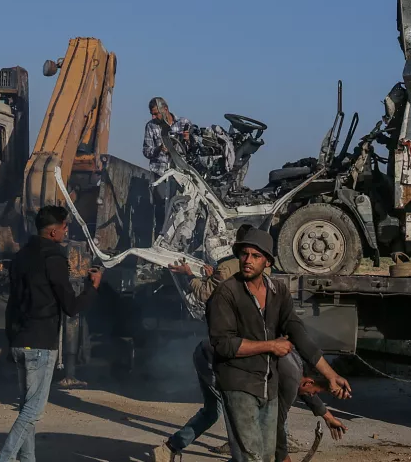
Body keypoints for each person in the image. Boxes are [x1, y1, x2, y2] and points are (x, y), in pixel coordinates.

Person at [207, 228, 352, 462]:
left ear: (267, 262)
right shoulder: (226, 293)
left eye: (256, 256)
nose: (248, 260)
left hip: (268, 386)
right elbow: (223, 344)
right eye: (244, 254)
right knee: (250, 457)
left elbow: (298, 334)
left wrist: (331, 374)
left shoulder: (278, 292)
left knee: (266, 456)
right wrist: (270, 346)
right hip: (238, 382)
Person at [0, 205, 102, 462]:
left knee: (26, 409)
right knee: (33, 411)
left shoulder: (20, 257)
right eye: (65, 227)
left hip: (20, 341)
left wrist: (11, 342)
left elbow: (12, 304)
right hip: (41, 344)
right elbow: (71, 307)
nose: (67, 231)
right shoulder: (54, 260)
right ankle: (5, 458)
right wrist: (92, 287)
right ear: (54, 232)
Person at [143, 96, 192, 176]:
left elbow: (194, 151)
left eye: (156, 114)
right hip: (159, 173)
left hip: (181, 174)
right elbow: (146, 151)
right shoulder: (150, 126)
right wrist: (159, 149)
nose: (153, 117)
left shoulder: (184, 123)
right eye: (152, 114)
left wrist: (188, 140)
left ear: (165, 109)